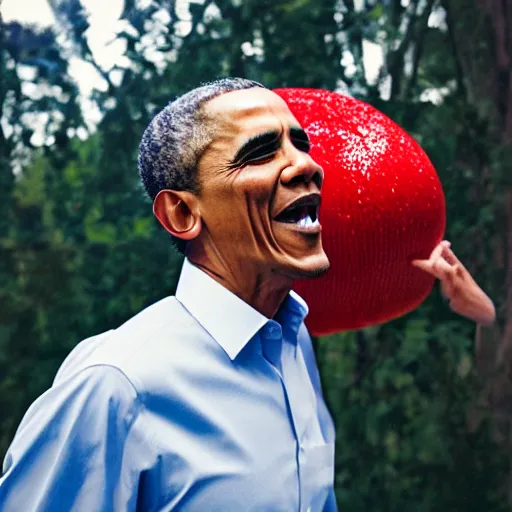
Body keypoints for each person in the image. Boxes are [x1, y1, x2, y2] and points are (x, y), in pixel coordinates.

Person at [0, 78, 495, 511]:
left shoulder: (292, 345)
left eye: (299, 144)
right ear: (181, 215)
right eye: (260, 152)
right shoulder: (115, 387)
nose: (307, 166)